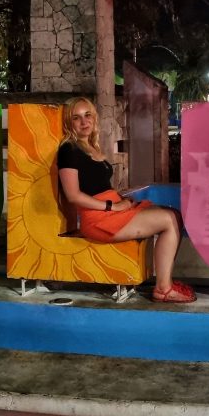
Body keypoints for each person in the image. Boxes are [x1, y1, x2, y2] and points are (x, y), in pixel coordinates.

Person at [57, 96, 195, 303]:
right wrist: (112, 206)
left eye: (87, 115)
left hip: (111, 210)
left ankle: (165, 281)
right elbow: (73, 195)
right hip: (98, 219)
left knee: (174, 213)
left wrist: (122, 201)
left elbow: (99, 186)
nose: (84, 122)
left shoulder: (92, 147)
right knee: (168, 219)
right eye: (76, 118)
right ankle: (163, 288)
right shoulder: (68, 149)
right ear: (70, 123)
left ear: (94, 118)